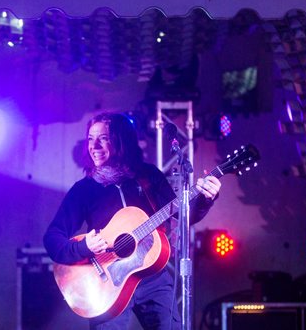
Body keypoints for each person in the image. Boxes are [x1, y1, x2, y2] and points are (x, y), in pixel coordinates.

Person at [43, 112, 221, 329]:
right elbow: (53, 239)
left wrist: (205, 199)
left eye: (104, 138)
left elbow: (182, 216)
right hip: (107, 284)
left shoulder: (149, 176)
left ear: (122, 141)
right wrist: (83, 246)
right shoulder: (84, 190)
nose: (94, 146)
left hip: (153, 277)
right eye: (90, 139)